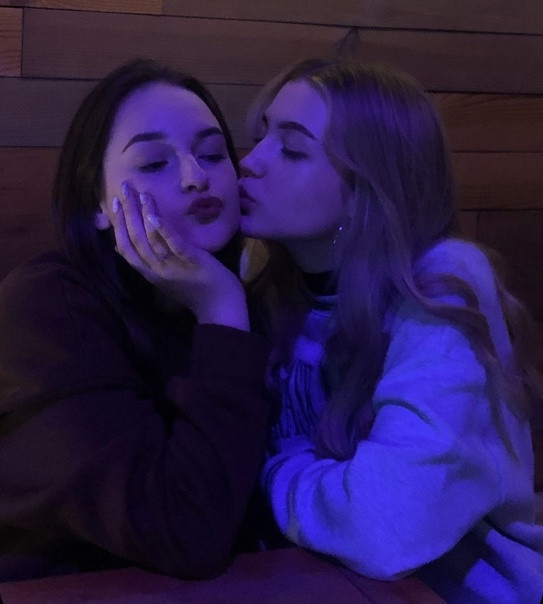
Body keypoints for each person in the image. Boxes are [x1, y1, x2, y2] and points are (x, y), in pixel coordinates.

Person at [239, 57, 543, 603]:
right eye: (260, 137)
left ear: (365, 190)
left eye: (292, 149)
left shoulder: (441, 283)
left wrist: (274, 466)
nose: (250, 162)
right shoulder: (264, 272)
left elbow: (384, 526)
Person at [0, 58, 274, 582]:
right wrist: (220, 308)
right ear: (97, 203)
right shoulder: (45, 308)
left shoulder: (235, 298)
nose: (196, 178)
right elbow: (186, 530)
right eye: (154, 163)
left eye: (212, 154)